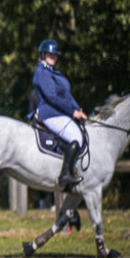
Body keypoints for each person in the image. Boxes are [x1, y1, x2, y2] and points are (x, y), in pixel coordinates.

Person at [29, 39, 88, 189]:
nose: (53, 57)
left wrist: (79, 109)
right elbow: (52, 98)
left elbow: (67, 96)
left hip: (60, 113)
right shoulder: (42, 72)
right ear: (42, 54)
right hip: (50, 114)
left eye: (55, 54)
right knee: (76, 137)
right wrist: (72, 112)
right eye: (50, 54)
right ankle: (65, 175)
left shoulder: (54, 72)